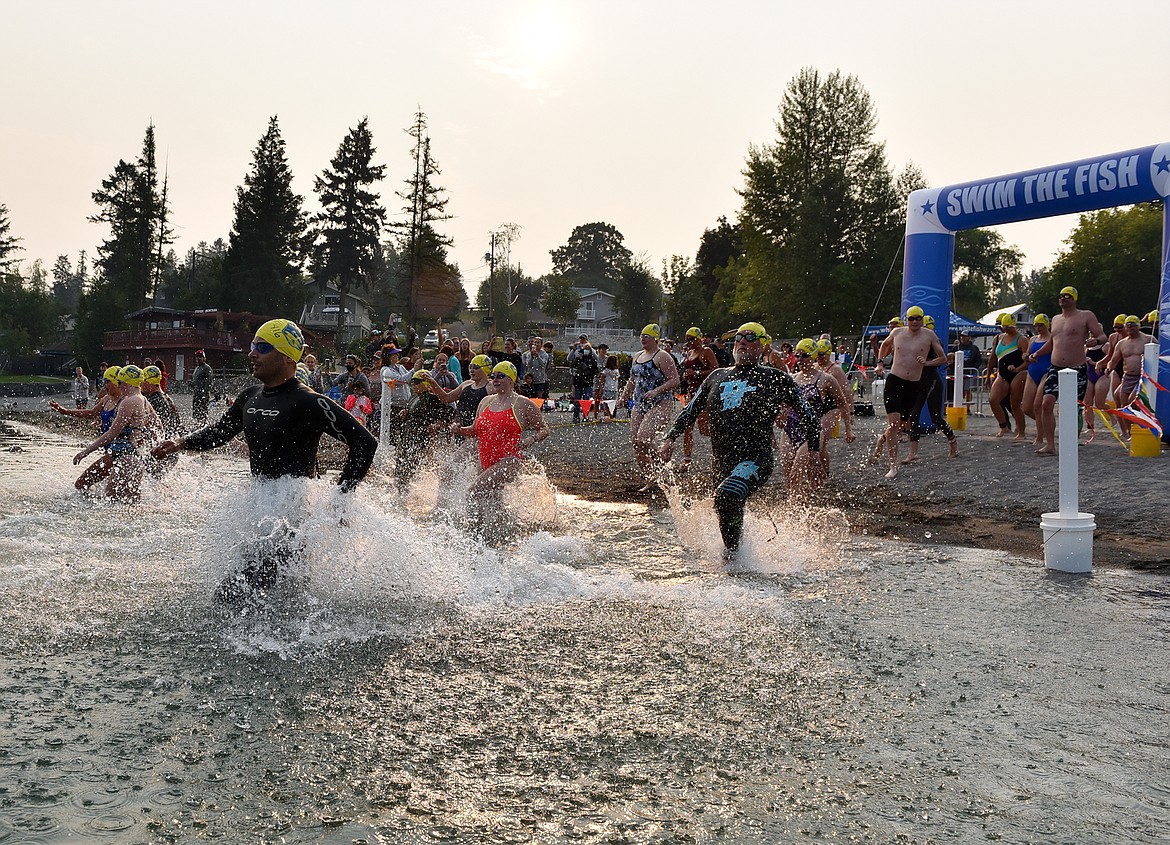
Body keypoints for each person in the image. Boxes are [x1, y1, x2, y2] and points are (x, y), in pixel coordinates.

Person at [151, 319, 378, 599]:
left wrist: (341, 498)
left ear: (286, 357)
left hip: (292, 510)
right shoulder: (250, 396)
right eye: (252, 345)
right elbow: (220, 432)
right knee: (269, 591)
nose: (252, 353)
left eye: (263, 347)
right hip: (261, 503)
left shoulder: (308, 401)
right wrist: (180, 443)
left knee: (233, 594)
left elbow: (365, 442)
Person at [660, 322, 819, 559]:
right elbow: (690, 410)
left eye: (749, 337)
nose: (741, 342)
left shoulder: (776, 378)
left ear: (763, 345)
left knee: (727, 496)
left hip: (755, 460)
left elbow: (809, 417)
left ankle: (732, 561)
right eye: (738, 338)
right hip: (721, 463)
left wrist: (814, 452)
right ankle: (742, 557)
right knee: (726, 505)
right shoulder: (717, 376)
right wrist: (669, 438)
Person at [456, 361, 550, 540]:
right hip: (485, 460)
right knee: (490, 502)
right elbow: (474, 430)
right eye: (493, 376)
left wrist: (531, 439)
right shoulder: (485, 401)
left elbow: (544, 429)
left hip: (508, 462)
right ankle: (505, 534)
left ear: (511, 380)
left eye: (501, 376)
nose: (495, 379)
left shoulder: (523, 404)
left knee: (473, 492)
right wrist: (459, 430)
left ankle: (472, 537)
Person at [1030, 286, 1108, 455]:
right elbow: (1052, 343)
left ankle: (1071, 442)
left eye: (1067, 296)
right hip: (1055, 367)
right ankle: (1050, 445)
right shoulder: (1056, 319)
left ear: (1074, 299)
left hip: (1076, 368)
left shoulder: (1085, 315)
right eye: (1060, 296)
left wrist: (1095, 341)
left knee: (1073, 408)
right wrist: (1036, 352)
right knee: (1046, 404)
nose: (1063, 299)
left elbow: (1103, 336)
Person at [877, 306, 948, 479]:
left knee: (901, 425)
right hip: (895, 380)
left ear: (922, 320)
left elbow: (943, 358)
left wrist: (926, 363)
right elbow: (884, 345)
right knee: (894, 424)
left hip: (914, 384)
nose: (914, 322)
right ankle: (893, 465)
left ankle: (881, 441)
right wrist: (880, 363)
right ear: (906, 320)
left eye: (918, 318)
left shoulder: (929, 335)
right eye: (911, 319)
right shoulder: (897, 333)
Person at [73, 365, 161, 502]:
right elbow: (158, 427)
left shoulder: (128, 402)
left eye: (120, 383)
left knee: (111, 503)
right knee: (123, 504)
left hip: (126, 459)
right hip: (128, 457)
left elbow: (112, 434)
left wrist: (86, 452)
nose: (119, 387)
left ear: (127, 383)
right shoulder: (144, 400)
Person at [619, 324, 681, 491]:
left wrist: (656, 391)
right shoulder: (638, 356)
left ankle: (663, 457)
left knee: (643, 439)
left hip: (661, 403)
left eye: (647, 336)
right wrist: (623, 398)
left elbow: (675, 380)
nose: (643, 338)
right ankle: (651, 477)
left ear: (655, 339)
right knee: (636, 444)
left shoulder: (662, 356)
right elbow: (632, 381)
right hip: (640, 405)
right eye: (641, 335)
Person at [783, 338, 852, 487]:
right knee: (789, 475)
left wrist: (848, 429)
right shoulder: (792, 379)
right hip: (790, 429)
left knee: (797, 470)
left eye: (805, 355)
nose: (800, 359)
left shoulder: (826, 379)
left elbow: (842, 402)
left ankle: (822, 476)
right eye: (797, 355)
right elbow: (784, 405)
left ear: (813, 356)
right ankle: (796, 504)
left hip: (812, 430)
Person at [51, 366, 123, 492]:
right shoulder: (107, 399)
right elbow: (91, 413)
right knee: (90, 486)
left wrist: (86, 451)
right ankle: (93, 505)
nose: (103, 385)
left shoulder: (126, 402)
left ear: (117, 382)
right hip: (109, 451)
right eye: (103, 381)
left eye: (107, 381)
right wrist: (65, 411)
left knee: (81, 483)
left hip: (119, 453)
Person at [902, 315, 958, 463]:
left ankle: (952, 441)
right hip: (918, 382)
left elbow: (943, 359)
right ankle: (913, 452)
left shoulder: (933, 339)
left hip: (932, 381)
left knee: (936, 417)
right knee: (913, 415)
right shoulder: (912, 340)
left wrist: (926, 363)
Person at [394, 370, 455, 492]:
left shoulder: (432, 398)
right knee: (400, 464)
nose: (414, 385)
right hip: (407, 434)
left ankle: (404, 491)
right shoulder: (414, 396)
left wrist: (437, 424)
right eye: (412, 382)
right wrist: (405, 412)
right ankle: (400, 491)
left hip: (420, 437)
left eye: (417, 382)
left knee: (409, 465)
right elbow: (410, 410)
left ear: (426, 383)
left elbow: (450, 412)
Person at [1100, 315, 1154, 436]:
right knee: (1123, 401)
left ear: (1138, 327)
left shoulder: (1148, 339)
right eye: (1128, 326)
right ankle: (1130, 431)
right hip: (1127, 376)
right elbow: (1114, 360)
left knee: (1132, 401)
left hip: (1142, 377)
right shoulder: (1122, 343)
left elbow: (1158, 355)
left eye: (1133, 326)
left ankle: (1140, 427)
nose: (1130, 329)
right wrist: (1108, 369)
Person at [675, 327, 720, 471]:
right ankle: (686, 460)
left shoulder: (705, 351)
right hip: (691, 395)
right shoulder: (689, 352)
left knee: (706, 430)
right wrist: (685, 376)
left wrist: (697, 372)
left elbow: (716, 369)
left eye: (691, 339)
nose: (688, 342)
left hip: (705, 395)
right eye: (687, 339)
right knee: (687, 428)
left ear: (699, 338)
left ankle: (720, 455)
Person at [984, 313, 1028, 441]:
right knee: (993, 399)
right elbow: (992, 358)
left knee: (1014, 403)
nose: (1006, 330)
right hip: (1002, 374)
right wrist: (988, 375)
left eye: (1009, 327)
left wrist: (1017, 369)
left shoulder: (1022, 340)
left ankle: (1021, 431)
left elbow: (1027, 361)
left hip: (1018, 373)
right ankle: (1004, 426)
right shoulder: (999, 338)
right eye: (1004, 327)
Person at [1020, 314, 1053, 444]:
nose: (1038, 328)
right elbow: (1025, 355)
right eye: (1036, 325)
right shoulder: (1033, 339)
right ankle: (1045, 424)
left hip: (1046, 372)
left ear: (1047, 325)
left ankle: (1039, 437)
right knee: (1027, 408)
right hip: (1032, 373)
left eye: (1041, 325)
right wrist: (1027, 358)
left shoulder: (1052, 339)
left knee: (1037, 405)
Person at [566, 336, 600, 422]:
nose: (586, 350)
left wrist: (588, 370)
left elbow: (595, 369)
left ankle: (586, 416)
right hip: (578, 382)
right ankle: (576, 416)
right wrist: (578, 358)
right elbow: (572, 363)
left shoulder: (592, 360)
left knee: (586, 401)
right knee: (577, 400)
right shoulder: (578, 357)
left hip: (588, 382)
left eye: (588, 348)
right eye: (585, 348)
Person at [950, 331, 983, 405]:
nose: (962, 338)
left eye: (964, 336)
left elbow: (978, 360)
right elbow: (951, 359)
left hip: (970, 372)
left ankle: (968, 407)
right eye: (961, 336)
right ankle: (958, 404)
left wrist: (974, 368)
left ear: (969, 337)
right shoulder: (956, 348)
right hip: (958, 372)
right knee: (958, 390)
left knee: (968, 389)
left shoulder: (974, 348)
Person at [521, 336, 551, 401]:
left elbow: (543, 364)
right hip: (531, 380)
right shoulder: (528, 354)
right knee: (530, 398)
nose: (536, 344)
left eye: (538, 343)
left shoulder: (544, 354)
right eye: (535, 343)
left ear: (541, 344)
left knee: (539, 399)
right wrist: (532, 356)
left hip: (540, 380)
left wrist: (537, 356)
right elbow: (528, 364)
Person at [190, 349, 213, 426]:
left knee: (202, 413)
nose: (198, 358)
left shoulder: (207, 368)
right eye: (197, 357)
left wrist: (204, 394)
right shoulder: (197, 368)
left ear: (204, 358)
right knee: (195, 413)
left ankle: (203, 426)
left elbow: (209, 383)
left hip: (203, 395)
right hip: (196, 394)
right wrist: (192, 384)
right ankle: (197, 426)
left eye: (200, 356)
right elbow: (197, 382)